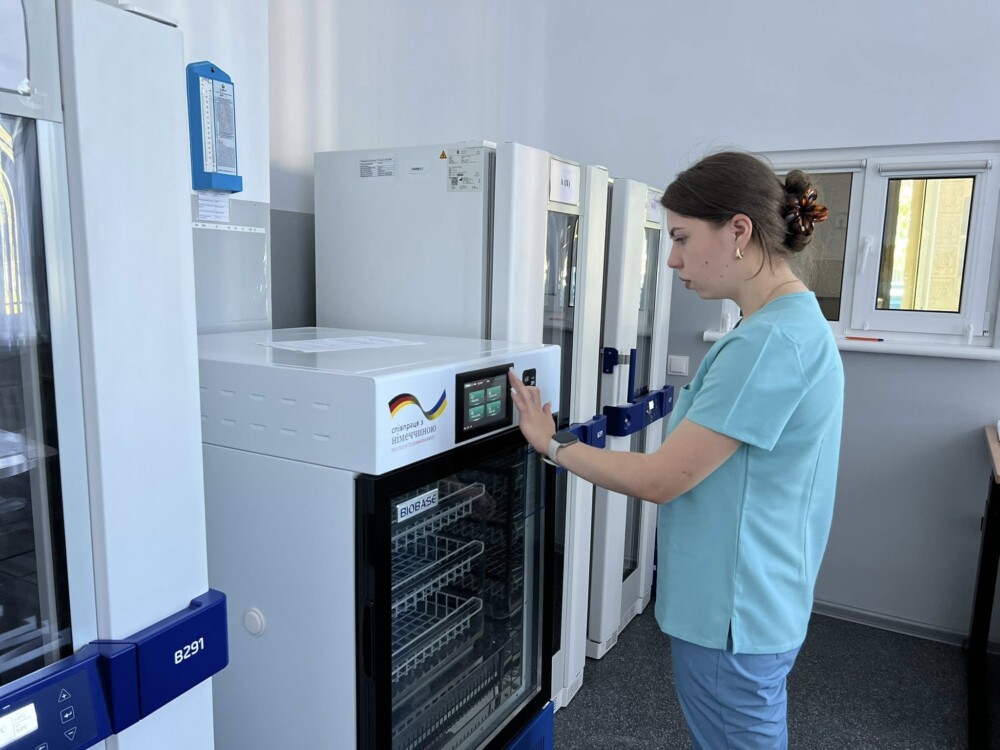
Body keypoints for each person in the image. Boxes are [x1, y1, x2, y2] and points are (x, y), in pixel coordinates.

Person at [509, 150, 844, 750]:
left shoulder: (767, 343)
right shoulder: (786, 324)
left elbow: (663, 478)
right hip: (759, 597)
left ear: (738, 231)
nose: (672, 259)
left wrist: (551, 443)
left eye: (683, 237)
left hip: (733, 610)